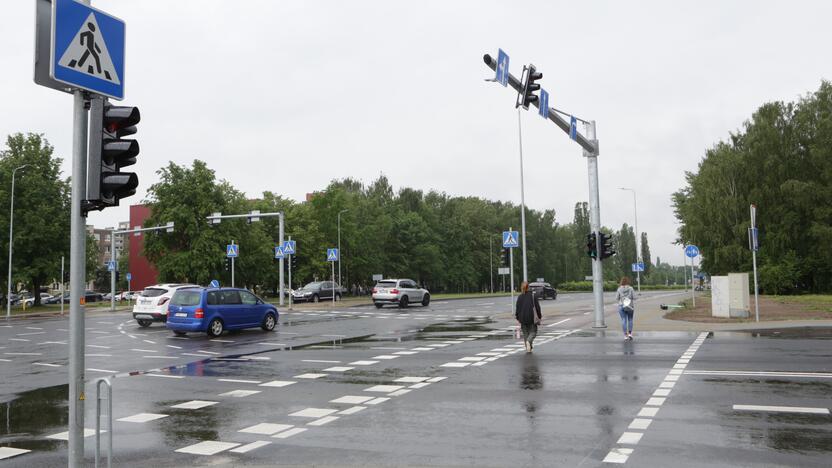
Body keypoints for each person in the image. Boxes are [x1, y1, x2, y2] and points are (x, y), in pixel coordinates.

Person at [515, 281, 542, 353]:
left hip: (522, 318)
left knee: (525, 333)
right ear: (529, 287)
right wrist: (539, 316)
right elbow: (537, 307)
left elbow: (517, 308)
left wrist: (517, 317)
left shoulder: (520, 296)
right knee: (533, 331)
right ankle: (528, 342)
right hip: (532, 317)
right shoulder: (533, 296)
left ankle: (528, 348)